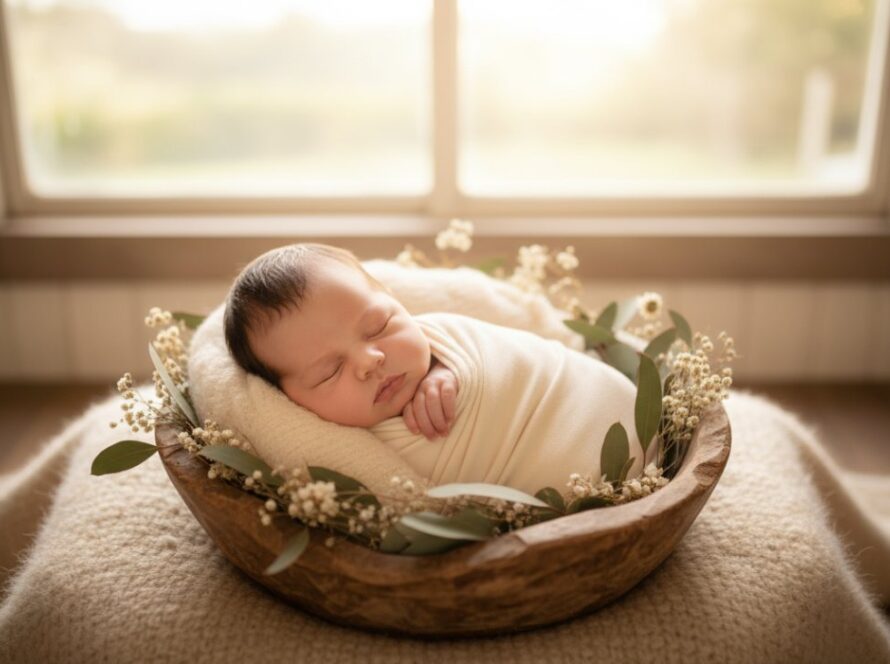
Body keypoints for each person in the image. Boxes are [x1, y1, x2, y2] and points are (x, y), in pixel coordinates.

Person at [224, 243, 459, 440]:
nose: (369, 361)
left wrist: (451, 367)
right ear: (288, 401)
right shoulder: (339, 448)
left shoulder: (445, 334)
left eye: (378, 327)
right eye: (330, 372)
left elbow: (485, 346)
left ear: (393, 297)